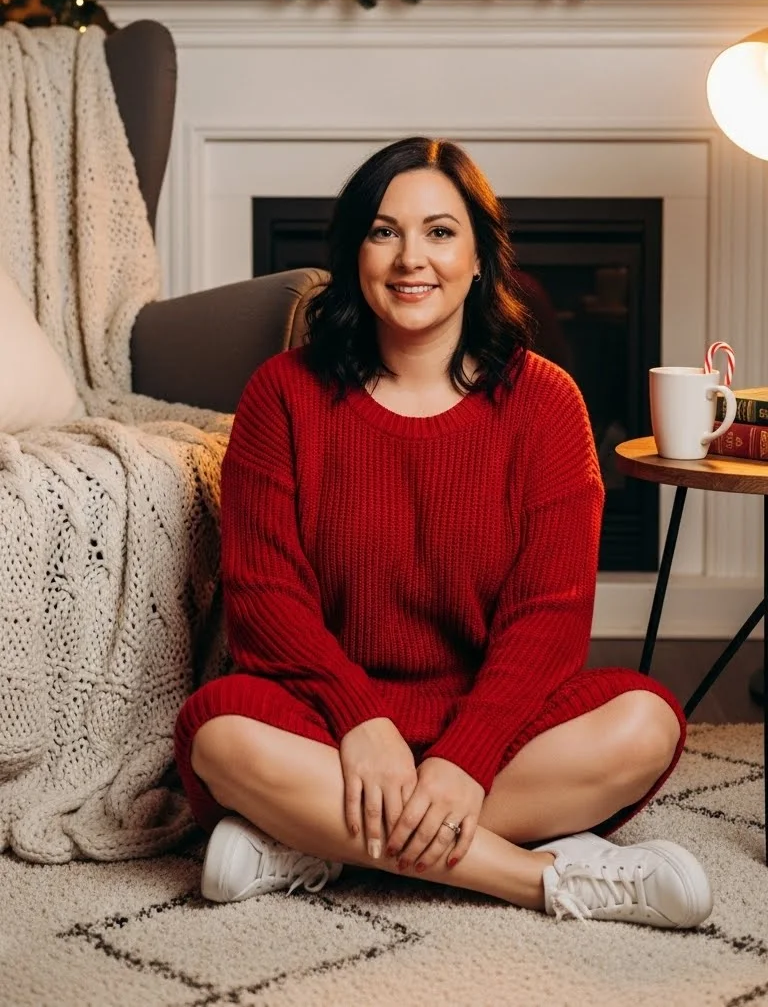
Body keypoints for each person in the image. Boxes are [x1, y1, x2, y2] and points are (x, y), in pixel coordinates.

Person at [174, 136, 713, 928]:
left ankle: (312, 840)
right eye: (383, 231)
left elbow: (550, 617)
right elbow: (265, 599)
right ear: (355, 252)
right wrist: (362, 721)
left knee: (647, 723)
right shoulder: (281, 394)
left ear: (479, 258)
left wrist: (466, 755)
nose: (410, 258)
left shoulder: (547, 402)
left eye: (439, 231)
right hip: (332, 725)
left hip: (496, 720)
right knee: (218, 735)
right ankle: (543, 876)